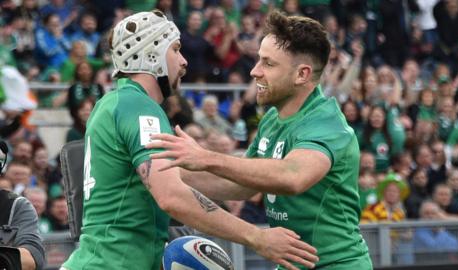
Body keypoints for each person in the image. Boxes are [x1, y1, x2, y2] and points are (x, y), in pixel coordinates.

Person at [61, 10, 318, 270]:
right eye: (175, 50)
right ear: (152, 54)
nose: (183, 61)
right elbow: (172, 196)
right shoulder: (138, 106)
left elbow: (186, 179)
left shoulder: (114, 103)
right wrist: (258, 237)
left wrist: (255, 179)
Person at [147, 10, 372, 269]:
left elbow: (292, 176)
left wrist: (205, 157)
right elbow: (244, 185)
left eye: (269, 63)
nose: (255, 71)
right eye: (258, 60)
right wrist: (162, 174)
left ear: (302, 74)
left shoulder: (327, 125)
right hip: (289, 263)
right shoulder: (272, 119)